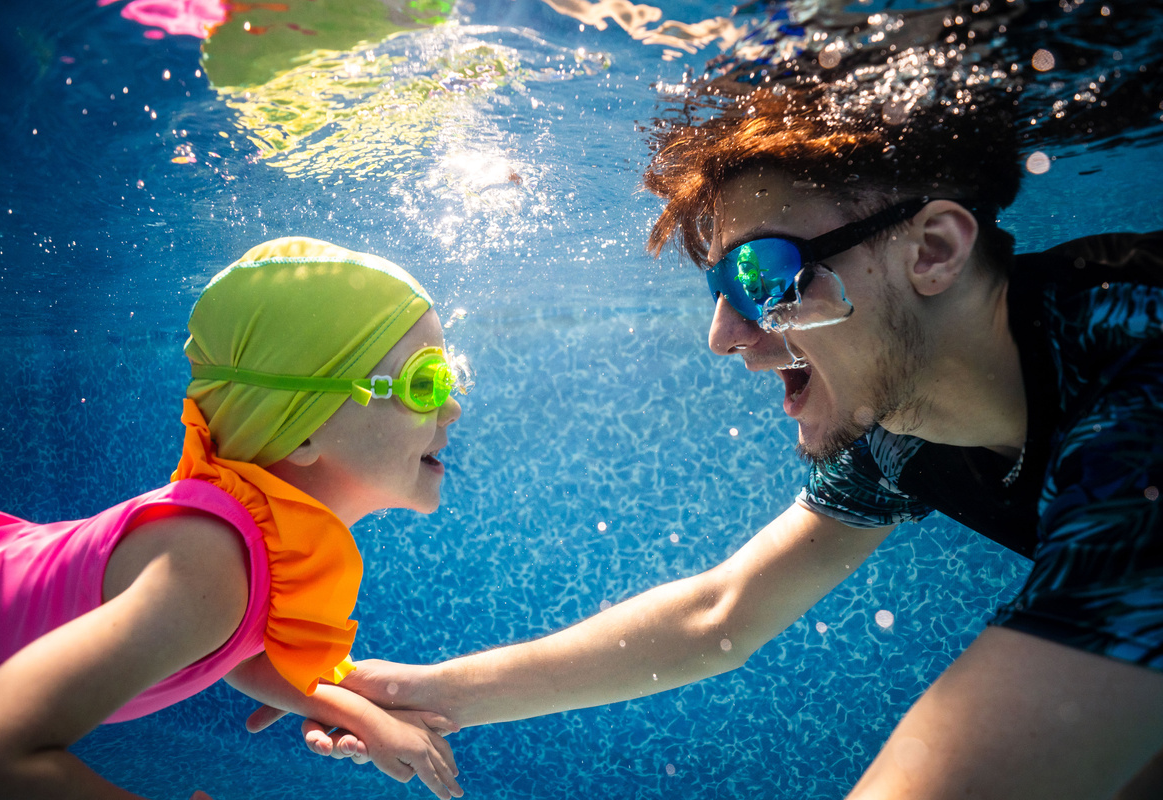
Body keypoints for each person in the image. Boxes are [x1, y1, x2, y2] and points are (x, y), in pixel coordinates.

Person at [257, 53, 1162, 800]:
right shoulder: (902, 434)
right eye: (719, 290)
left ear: (931, 250)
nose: (725, 335)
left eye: (764, 278)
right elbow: (720, 614)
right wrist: (427, 693)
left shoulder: (1141, 361)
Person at [0, 237, 469, 800]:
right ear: (301, 429)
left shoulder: (258, 540)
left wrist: (352, 707)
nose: (454, 407)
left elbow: (226, 647)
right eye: (425, 384)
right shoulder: (210, 566)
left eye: (453, 376)